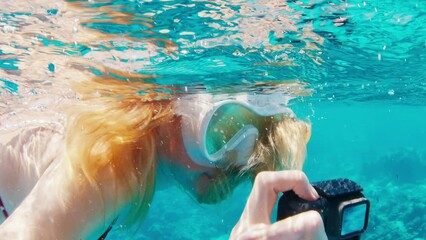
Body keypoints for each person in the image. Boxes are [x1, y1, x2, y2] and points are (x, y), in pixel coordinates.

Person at [0, 74, 326, 239]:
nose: (227, 169)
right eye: (221, 133)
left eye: (251, 154)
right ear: (170, 111)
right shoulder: (113, 159)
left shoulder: (150, 165)